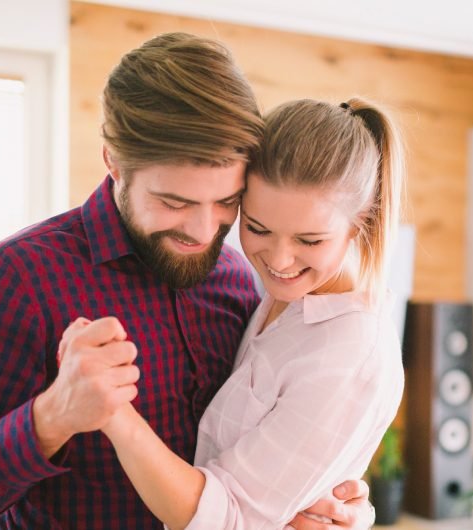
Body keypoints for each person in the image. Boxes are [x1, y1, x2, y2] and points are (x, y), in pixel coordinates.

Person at [0, 33, 374, 530]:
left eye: (227, 202)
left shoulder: (240, 282)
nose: (203, 231)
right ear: (114, 162)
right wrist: (50, 418)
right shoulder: (16, 280)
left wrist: (328, 504)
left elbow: (247, 479)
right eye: (174, 202)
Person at [60, 96, 406, 529]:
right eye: (257, 227)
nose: (278, 260)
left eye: (310, 240)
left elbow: (227, 519)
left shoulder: (351, 350)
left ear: (360, 224)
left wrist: (114, 410)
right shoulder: (274, 297)